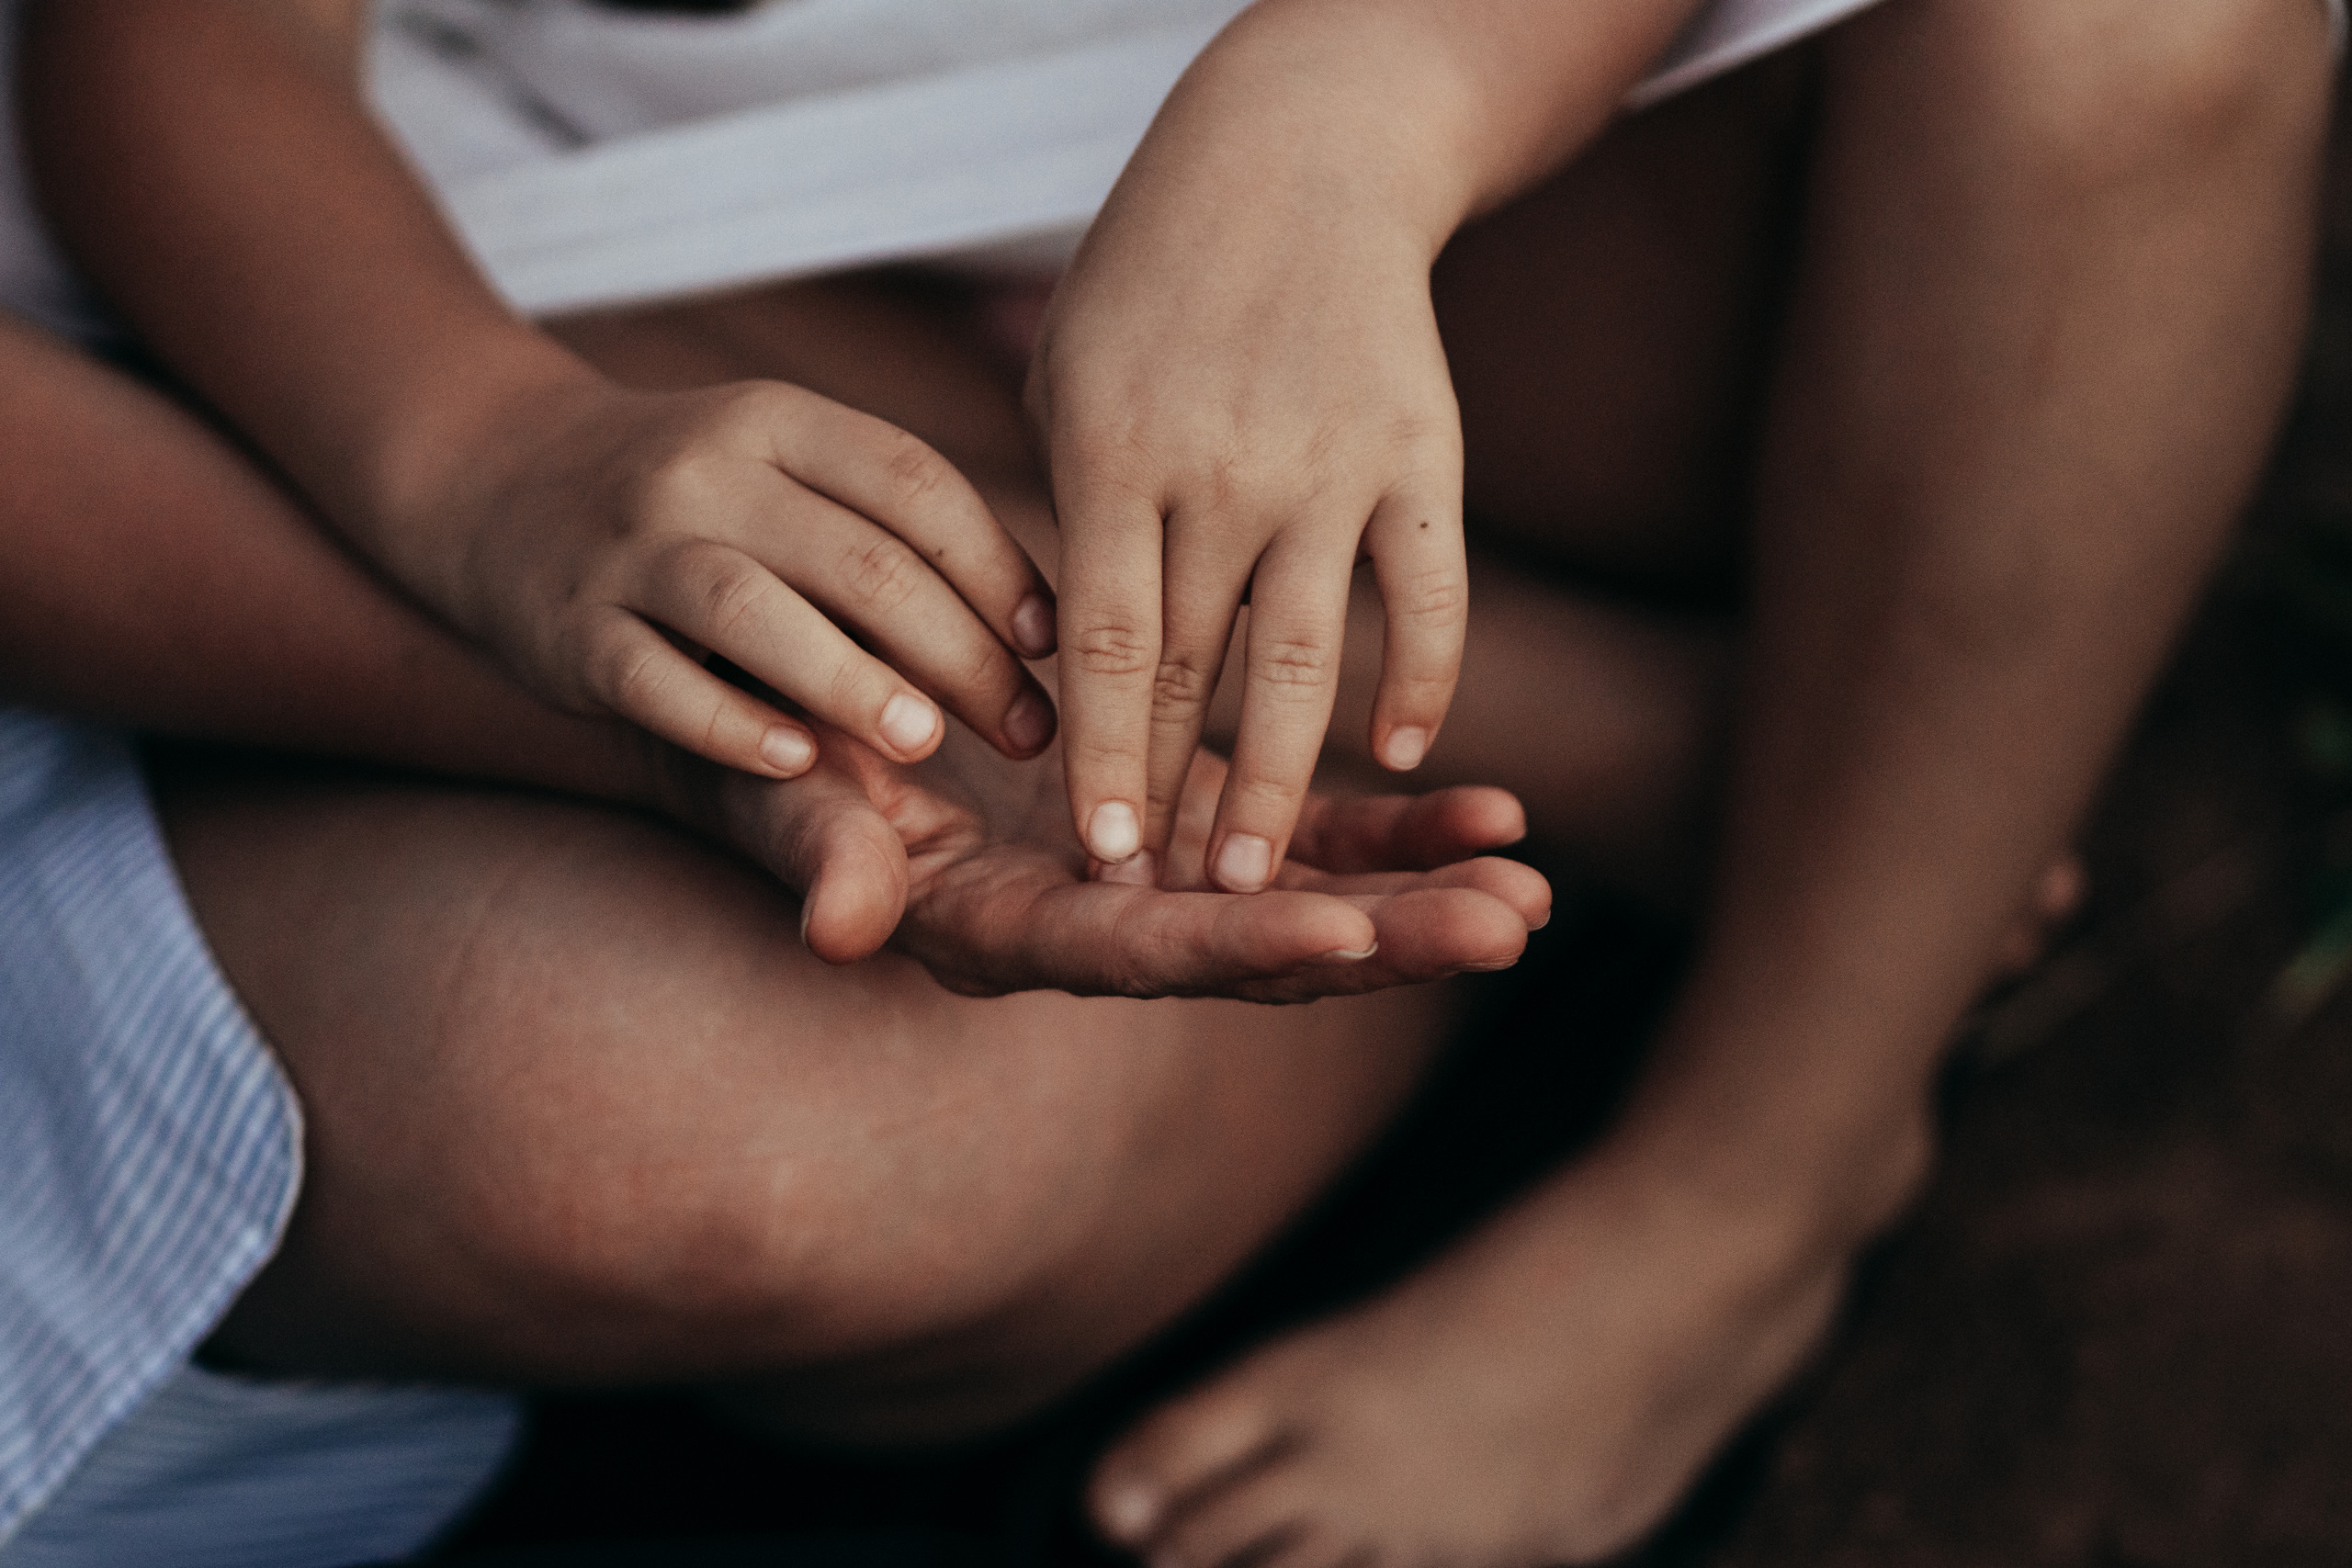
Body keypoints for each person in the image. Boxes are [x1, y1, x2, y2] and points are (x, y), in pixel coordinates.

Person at [4, 5, 2337, 1568]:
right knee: (624, 418)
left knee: (2124, 29)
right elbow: (181, 45)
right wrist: (484, 455)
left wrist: (1365, 97)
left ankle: (1752, 1177)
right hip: (662, 213)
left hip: (1476, 131)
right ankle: (1662, 750)